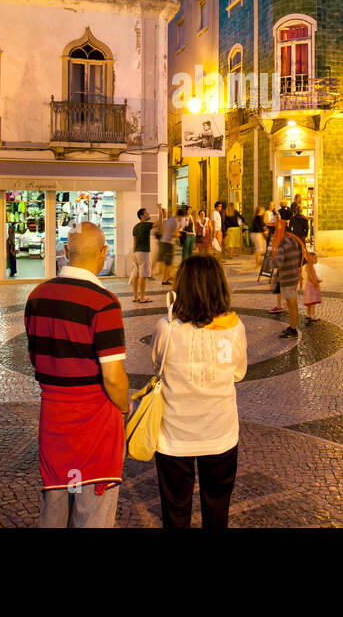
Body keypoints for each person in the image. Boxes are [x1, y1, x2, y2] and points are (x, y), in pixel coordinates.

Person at [24, 222, 128, 528]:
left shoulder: (37, 296)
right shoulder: (104, 303)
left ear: (65, 252)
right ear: (104, 253)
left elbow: (35, 356)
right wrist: (124, 407)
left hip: (53, 420)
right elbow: (113, 377)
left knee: (54, 508)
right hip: (95, 422)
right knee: (93, 512)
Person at [153, 255, 247, 528]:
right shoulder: (233, 328)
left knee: (175, 511)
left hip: (173, 435)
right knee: (217, 509)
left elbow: (157, 366)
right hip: (220, 433)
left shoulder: (166, 328)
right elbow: (239, 373)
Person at [131, 208, 155, 304]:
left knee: (135, 275)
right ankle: (142, 297)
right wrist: (160, 210)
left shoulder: (135, 227)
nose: (148, 214)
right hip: (143, 252)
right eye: (146, 213)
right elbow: (160, 223)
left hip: (136, 252)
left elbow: (134, 242)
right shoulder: (146, 225)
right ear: (142, 216)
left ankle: (136, 296)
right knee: (143, 276)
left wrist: (134, 254)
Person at [159, 207, 182, 285]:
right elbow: (176, 234)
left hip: (163, 242)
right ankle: (165, 280)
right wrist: (179, 234)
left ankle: (167, 276)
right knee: (168, 262)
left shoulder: (169, 220)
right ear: (181, 216)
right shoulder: (176, 222)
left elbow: (162, 231)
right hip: (169, 243)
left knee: (167, 262)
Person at [301, 248, 322, 324]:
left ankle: (308, 314)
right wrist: (316, 282)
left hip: (309, 286)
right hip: (312, 286)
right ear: (311, 259)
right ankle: (313, 315)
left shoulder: (309, 266)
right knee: (312, 302)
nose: (317, 259)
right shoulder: (310, 267)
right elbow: (310, 277)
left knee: (309, 301)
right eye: (315, 258)